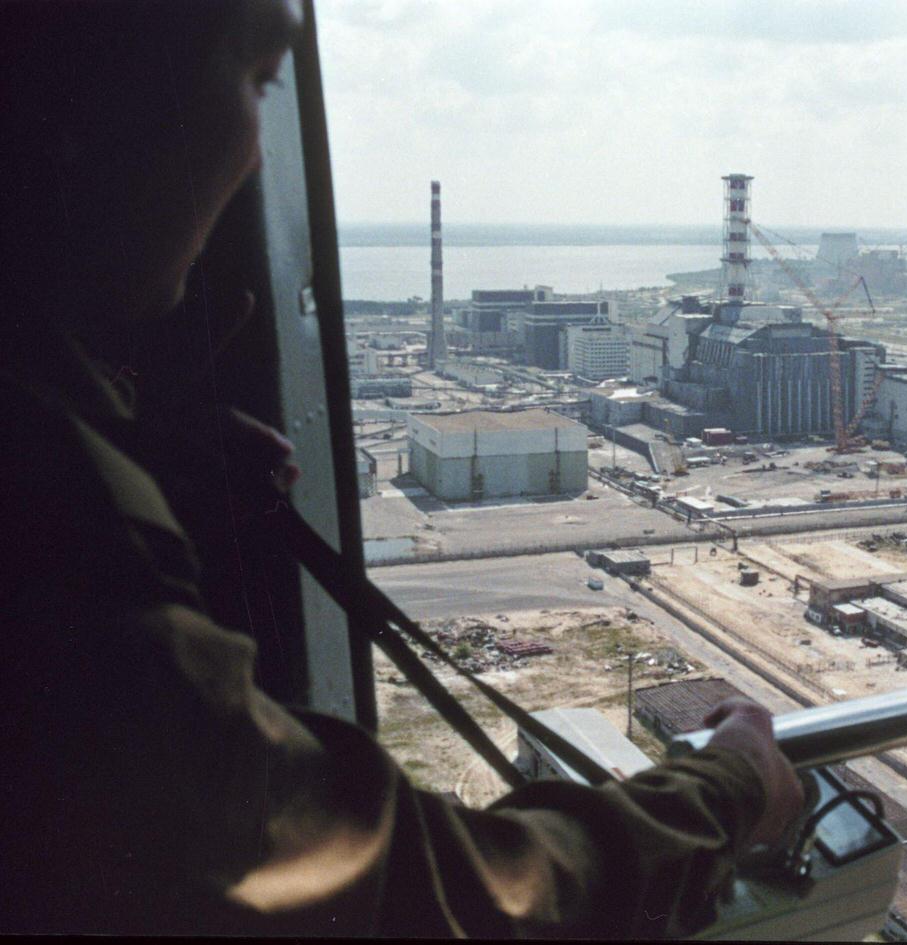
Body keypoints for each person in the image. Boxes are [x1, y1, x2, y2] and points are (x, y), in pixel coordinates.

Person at [0, 1, 803, 936]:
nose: (260, 154)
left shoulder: (65, 454)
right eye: (256, 82)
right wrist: (727, 791)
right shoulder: (68, 530)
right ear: (83, 107)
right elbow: (421, 897)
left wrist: (136, 456)